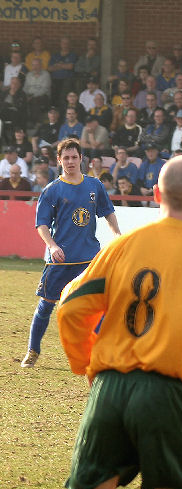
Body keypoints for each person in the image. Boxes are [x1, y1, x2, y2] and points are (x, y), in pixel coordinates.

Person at [2, 155, 182, 489]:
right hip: (166, 392)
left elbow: (70, 307)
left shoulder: (123, 248)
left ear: (155, 194)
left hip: (110, 390)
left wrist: (88, 364)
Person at [21, 138, 121, 368]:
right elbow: (42, 224)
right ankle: (33, 351)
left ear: (81, 158)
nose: (70, 161)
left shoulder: (94, 185)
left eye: (74, 157)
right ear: (59, 160)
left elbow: (108, 212)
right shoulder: (52, 190)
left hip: (89, 259)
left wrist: (117, 234)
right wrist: (53, 246)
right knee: (46, 305)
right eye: (66, 157)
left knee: (99, 306)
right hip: (60, 260)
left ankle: (101, 352)